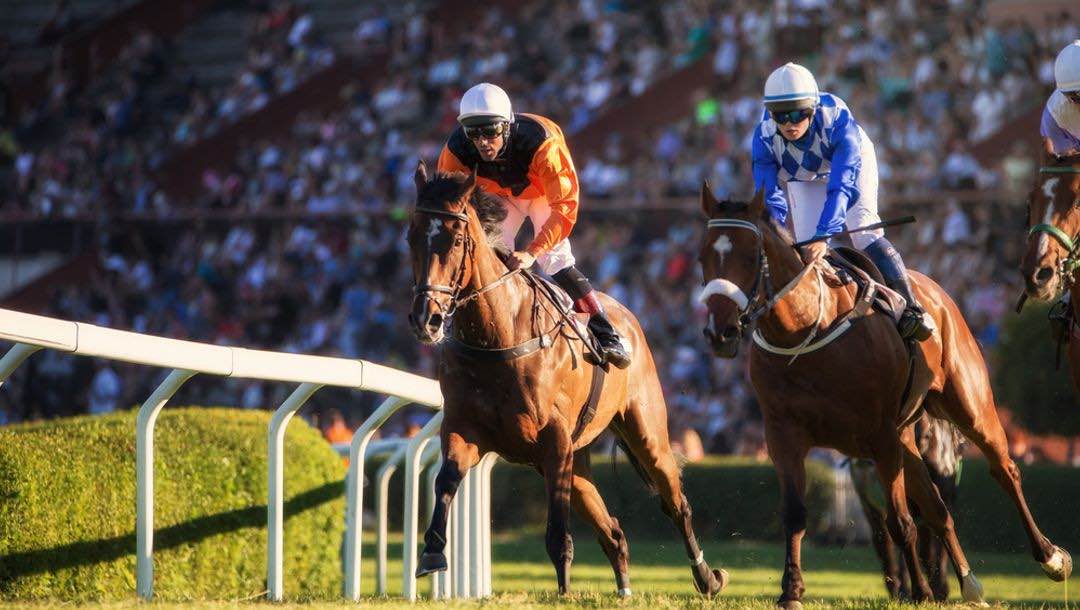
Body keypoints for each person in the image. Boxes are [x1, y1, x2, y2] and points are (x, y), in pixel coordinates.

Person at [436, 83, 631, 368]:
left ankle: (604, 329)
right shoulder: (455, 151)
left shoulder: (542, 143)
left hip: (542, 194)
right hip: (499, 197)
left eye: (489, 131)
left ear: (507, 125)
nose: (482, 142)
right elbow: (448, 205)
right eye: (473, 132)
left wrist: (532, 251)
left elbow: (564, 207)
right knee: (491, 256)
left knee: (553, 259)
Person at [750, 62, 933, 341]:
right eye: (780, 116)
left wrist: (824, 234)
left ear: (812, 108)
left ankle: (912, 308)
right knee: (808, 252)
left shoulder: (836, 120)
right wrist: (780, 235)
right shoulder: (763, 136)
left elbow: (842, 187)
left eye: (799, 114)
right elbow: (769, 195)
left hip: (846, 168)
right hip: (803, 177)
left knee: (864, 231)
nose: (789, 123)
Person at [1041, 40, 1080, 337]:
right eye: (1072, 96)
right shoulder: (1055, 113)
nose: (1078, 100)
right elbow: (1063, 170)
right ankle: (1072, 293)